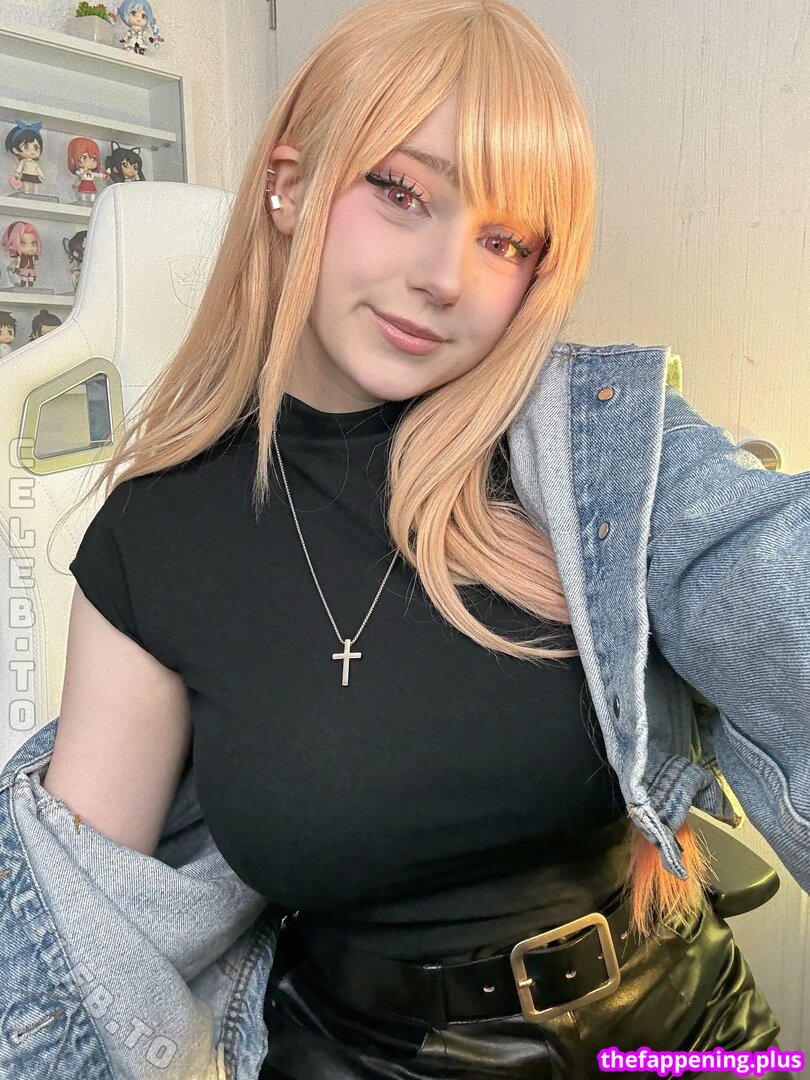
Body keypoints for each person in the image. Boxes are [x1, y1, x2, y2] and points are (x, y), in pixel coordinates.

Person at [46, 1, 804, 1077]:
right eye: (402, 192)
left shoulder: (598, 450)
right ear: (289, 184)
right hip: (365, 1057)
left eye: (505, 241)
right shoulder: (155, 537)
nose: (445, 275)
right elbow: (84, 943)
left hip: (690, 1035)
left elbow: (775, 578)